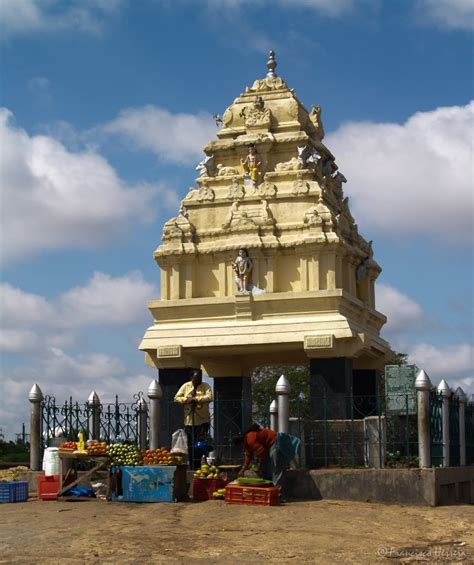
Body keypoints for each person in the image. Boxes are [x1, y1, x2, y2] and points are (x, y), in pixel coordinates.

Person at [232, 424, 300, 491]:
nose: (241, 447)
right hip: (269, 447)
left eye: (240, 446)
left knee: (277, 468)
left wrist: (260, 465)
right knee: (266, 469)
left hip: (275, 443)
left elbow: (261, 451)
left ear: (241, 442)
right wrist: (243, 470)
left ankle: (276, 492)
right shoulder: (247, 443)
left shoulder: (250, 439)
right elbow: (248, 456)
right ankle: (268, 488)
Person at [174, 370, 213, 469]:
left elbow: (209, 397)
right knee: (190, 446)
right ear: (191, 378)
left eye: (200, 378)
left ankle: (199, 464)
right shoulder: (186, 386)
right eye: (196, 379)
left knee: (199, 445)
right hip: (189, 421)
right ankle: (192, 466)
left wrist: (196, 399)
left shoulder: (205, 386)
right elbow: (176, 398)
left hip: (202, 420)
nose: (198, 381)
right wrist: (186, 400)